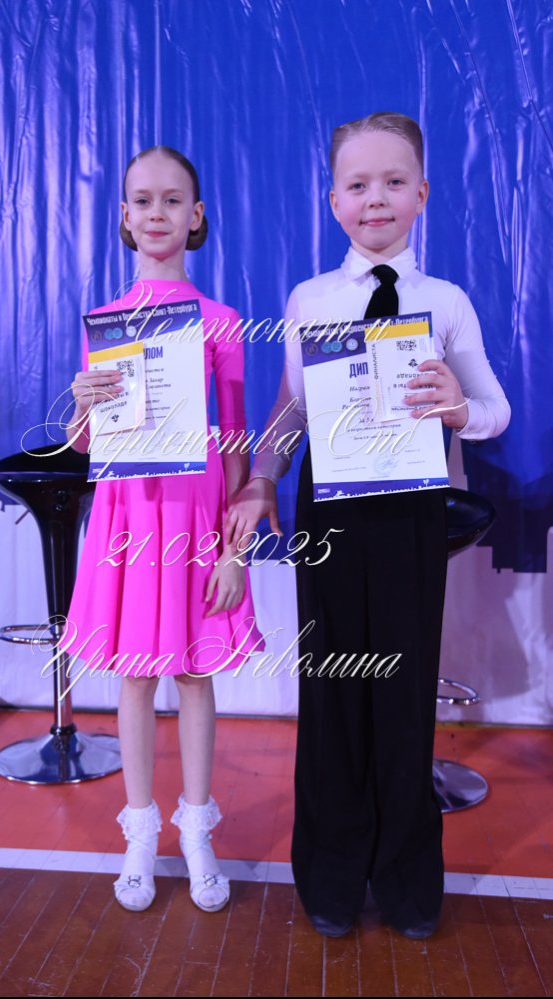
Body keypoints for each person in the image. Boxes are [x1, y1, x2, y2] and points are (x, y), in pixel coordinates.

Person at [225, 112, 510, 939]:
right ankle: (330, 874)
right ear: (333, 201)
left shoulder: (445, 302)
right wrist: (262, 478)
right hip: (331, 510)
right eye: (357, 184)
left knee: (403, 692)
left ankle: (409, 881)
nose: (374, 197)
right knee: (333, 689)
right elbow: (290, 408)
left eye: (393, 181)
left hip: (413, 512)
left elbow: (494, 408)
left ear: (422, 193)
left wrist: (459, 408)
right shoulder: (310, 299)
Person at [64, 145, 263, 914]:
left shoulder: (222, 322)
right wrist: (81, 404)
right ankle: (140, 833)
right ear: (124, 216)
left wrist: (236, 548)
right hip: (129, 514)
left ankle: (197, 827)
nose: (157, 212)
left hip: (196, 516)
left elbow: (238, 441)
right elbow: (88, 444)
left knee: (196, 671)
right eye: (142, 200)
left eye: (172, 199)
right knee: (137, 673)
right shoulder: (106, 323)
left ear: (196, 214)